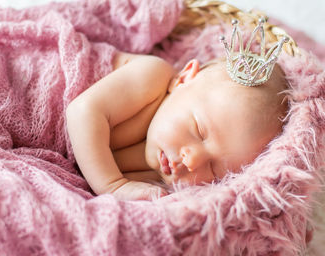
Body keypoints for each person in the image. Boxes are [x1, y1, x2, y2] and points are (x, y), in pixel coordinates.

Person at [66, 51, 288, 201]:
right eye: (199, 132)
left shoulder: (159, 173)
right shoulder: (152, 77)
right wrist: (113, 186)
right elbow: (80, 112)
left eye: (214, 169)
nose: (192, 161)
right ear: (183, 79)